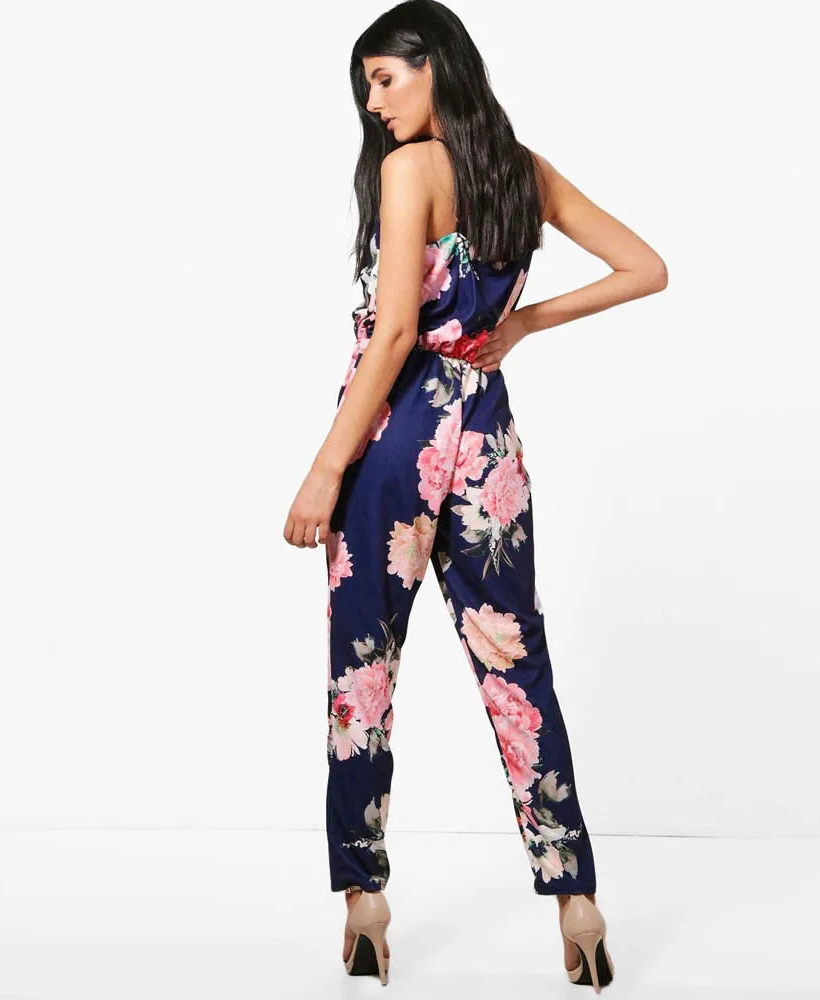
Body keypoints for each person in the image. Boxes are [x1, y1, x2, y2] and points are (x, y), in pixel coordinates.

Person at [283, 0, 667, 989]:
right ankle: (577, 901)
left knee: (363, 670)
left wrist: (326, 466)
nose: (374, 104)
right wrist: (522, 321)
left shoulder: (412, 168)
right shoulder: (521, 171)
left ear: (436, 67)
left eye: (385, 79)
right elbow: (645, 268)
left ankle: (364, 899)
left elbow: (395, 336)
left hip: (397, 439)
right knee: (515, 666)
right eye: (366, 87)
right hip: (487, 444)